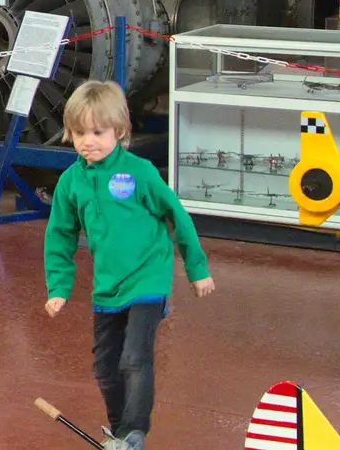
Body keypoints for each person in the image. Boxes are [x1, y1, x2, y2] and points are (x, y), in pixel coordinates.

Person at [44, 80, 215, 450]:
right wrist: (58, 288)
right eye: (78, 133)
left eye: (97, 132)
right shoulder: (71, 182)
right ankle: (121, 434)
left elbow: (177, 216)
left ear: (119, 131)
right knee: (105, 368)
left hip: (147, 278)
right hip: (108, 287)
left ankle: (135, 434)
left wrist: (196, 269)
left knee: (134, 357)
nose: (87, 141)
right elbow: (59, 237)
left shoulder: (139, 172)